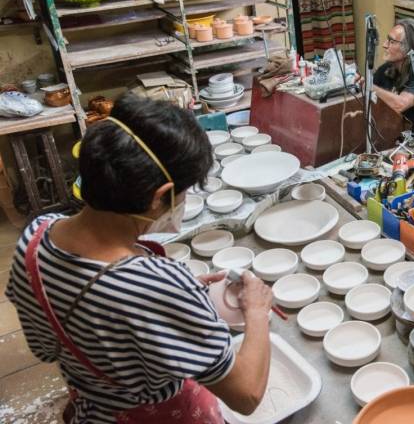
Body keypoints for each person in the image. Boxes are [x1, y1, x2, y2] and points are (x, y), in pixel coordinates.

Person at [5, 93, 272, 423]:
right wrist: (257, 310)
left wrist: (175, 305)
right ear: (159, 198)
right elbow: (246, 395)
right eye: (184, 194)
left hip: (94, 407)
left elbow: (46, 347)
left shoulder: (34, 239)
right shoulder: (157, 285)